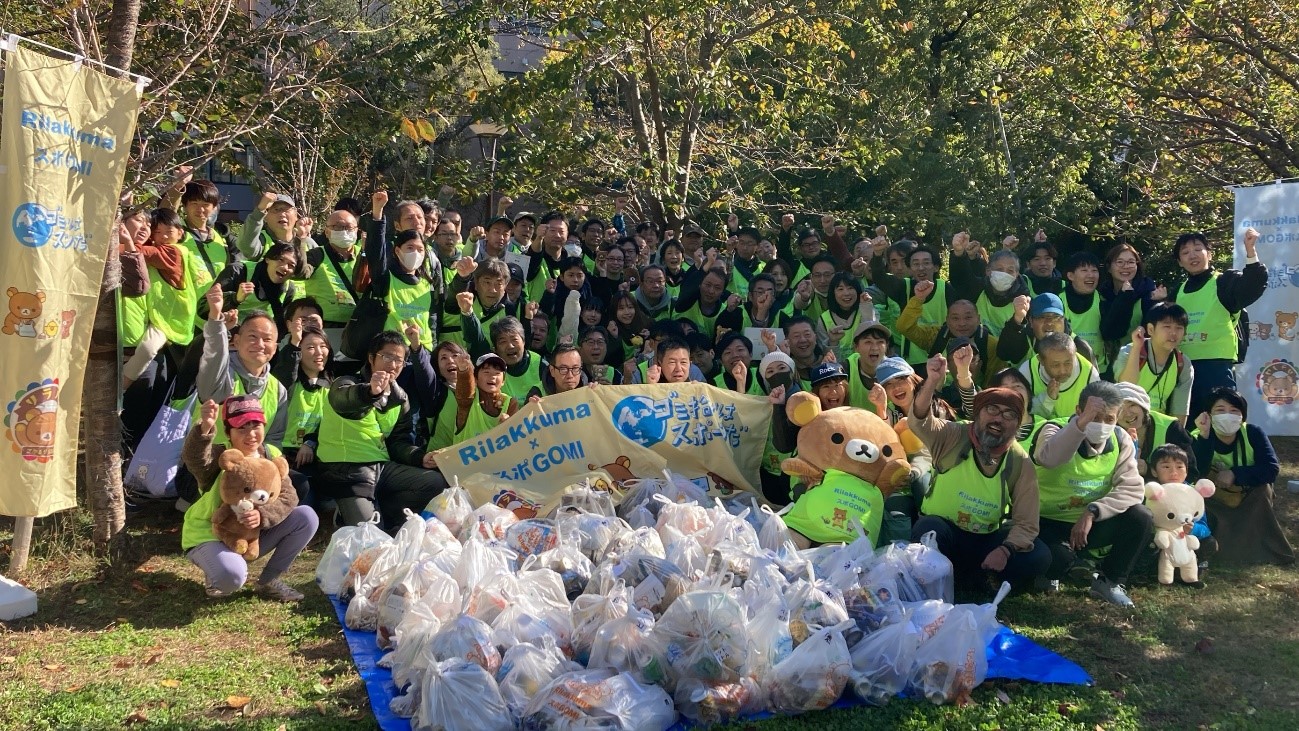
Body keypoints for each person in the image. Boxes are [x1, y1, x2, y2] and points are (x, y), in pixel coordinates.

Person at [909, 354, 1051, 591]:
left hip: (985, 540)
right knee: (928, 530)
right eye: (992, 410)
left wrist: (1005, 550)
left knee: (1039, 555)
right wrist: (931, 381)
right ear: (978, 414)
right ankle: (942, 579)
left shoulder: (1018, 459)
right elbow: (919, 422)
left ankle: (986, 578)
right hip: (947, 535)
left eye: (1009, 415)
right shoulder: (953, 435)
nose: (998, 419)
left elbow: (1027, 522)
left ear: (1017, 425)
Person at [181, 395, 318, 601]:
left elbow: (288, 497)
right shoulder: (221, 456)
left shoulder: (270, 454)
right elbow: (195, 458)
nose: (251, 434)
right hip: (209, 534)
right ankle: (220, 570)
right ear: (228, 432)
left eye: (256, 426)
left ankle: (269, 581)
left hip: (249, 536)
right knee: (232, 578)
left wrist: (261, 516)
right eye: (242, 428)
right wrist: (205, 429)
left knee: (306, 517)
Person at [1031, 381, 1153, 607]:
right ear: (1078, 410)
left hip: (1088, 523)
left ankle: (1110, 582)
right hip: (1046, 522)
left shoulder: (1120, 438)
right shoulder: (1052, 428)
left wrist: (1092, 511)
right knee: (1056, 562)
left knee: (1141, 517)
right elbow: (1048, 459)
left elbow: (1132, 489)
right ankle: (1054, 570)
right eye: (1095, 417)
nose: (1102, 425)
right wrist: (1080, 425)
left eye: (1109, 419)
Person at [315, 331, 449, 528]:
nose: (393, 365)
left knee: (435, 483)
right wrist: (370, 393)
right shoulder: (347, 382)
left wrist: (420, 457)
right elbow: (344, 400)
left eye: (399, 360)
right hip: (347, 472)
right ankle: (347, 514)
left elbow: (398, 442)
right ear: (371, 358)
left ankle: (385, 512)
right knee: (372, 539)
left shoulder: (400, 397)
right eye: (387, 357)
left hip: (382, 470)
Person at [1190, 387, 1294, 565]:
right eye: (1220, 410)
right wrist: (1205, 438)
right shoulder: (1197, 436)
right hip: (1213, 499)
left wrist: (1236, 474)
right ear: (1208, 415)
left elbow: (1271, 469)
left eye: (1234, 411)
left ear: (1242, 416)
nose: (1227, 415)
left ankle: (1263, 549)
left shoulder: (1253, 433)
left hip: (1247, 495)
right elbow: (1194, 472)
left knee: (1264, 489)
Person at [1169, 228, 1266, 420]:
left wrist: (1250, 251)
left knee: (1221, 421)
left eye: (1198, 249)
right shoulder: (1176, 292)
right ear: (1180, 261)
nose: (1192, 255)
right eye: (1185, 252)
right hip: (1181, 368)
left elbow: (1252, 285)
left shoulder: (1224, 282)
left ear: (1209, 254)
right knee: (1186, 427)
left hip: (1216, 368)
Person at [122, 208, 214, 389]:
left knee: (148, 349)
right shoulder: (161, 247)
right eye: (158, 232)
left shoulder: (174, 252)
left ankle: (122, 386)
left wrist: (113, 245)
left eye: (169, 232)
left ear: (180, 233)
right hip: (160, 316)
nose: (163, 237)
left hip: (171, 319)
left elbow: (143, 253)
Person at [271, 323, 331, 501]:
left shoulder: (332, 387)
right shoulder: (287, 385)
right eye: (310, 347)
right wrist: (294, 342)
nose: (319, 352)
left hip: (315, 454)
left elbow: (331, 423)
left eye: (323, 346)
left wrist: (310, 442)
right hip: (283, 454)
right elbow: (286, 372)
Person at [1113, 302, 1194, 423]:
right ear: (1151, 329)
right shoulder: (1130, 350)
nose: (1173, 333)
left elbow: (1180, 409)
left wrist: (1177, 438)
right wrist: (1136, 348)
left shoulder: (1183, 363)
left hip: (1158, 426)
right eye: (1167, 327)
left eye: (1179, 328)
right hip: (1127, 424)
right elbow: (1126, 385)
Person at [303, 207, 363, 346]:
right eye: (337, 227)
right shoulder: (316, 254)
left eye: (348, 227)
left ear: (356, 230)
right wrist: (301, 239)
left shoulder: (365, 256)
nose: (343, 230)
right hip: (325, 327)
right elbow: (301, 273)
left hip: (358, 327)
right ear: (327, 231)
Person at [215, 241, 301, 334]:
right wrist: (235, 298)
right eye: (280, 260)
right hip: (223, 335)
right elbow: (204, 308)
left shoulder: (289, 289)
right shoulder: (238, 271)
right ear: (268, 259)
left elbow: (283, 326)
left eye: (291, 265)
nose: (285, 267)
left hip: (260, 340)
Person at [1099, 243, 1163, 365]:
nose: (1126, 266)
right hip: (1106, 365)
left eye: (1131, 262)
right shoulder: (1102, 295)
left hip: (1140, 363)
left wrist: (1158, 303)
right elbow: (1108, 332)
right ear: (1109, 267)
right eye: (1120, 262)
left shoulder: (1149, 295)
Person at [1114, 382, 1194, 476]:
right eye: (1120, 410)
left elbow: (1192, 472)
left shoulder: (1171, 427)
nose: (1128, 414)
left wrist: (1149, 470)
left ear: (1143, 405)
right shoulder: (1111, 434)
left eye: (1132, 405)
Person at [997, 292, 1096, 367]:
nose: (1049, 322)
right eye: (1042, 317)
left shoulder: (1081, 348)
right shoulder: (1024, 340)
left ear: (1064, 319)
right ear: (1031, 321)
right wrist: (1017, 318)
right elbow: (1004, 354)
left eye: (1056, 317)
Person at [1019, 331, 1099, 420]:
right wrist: (1047, 399)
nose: (1062, 371)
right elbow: (1021, 416)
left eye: (1068, 363)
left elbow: (1095, 417)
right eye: (1056, 365)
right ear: (1040, 360)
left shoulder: (1090, 373)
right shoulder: (1027, 371)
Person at [236, 192, 315, 268]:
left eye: (286, 210)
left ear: (296, 216)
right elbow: (245, 245)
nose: (282, 214)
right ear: (265, 217)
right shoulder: (260, 240)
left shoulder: (308, 243)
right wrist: (260, 210)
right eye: (276, 210)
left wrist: (303, 237)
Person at [454, 351, 520, 439]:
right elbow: (465, 388)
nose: (492, 376)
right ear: (476, 378)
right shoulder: (468, 398)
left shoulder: (510, 403)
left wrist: (509, 425)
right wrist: (464, 370)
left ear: (503, 381)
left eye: (497, 373)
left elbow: (518, 436)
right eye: (486, 372)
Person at [1060, 252, 1107, 373]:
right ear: (1070, 275)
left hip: (1099, 369)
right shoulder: (1059, 300)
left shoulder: (1103, 299)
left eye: (1094, 270)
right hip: (1067, 369)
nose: (1090, 275)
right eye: (1084, 270)